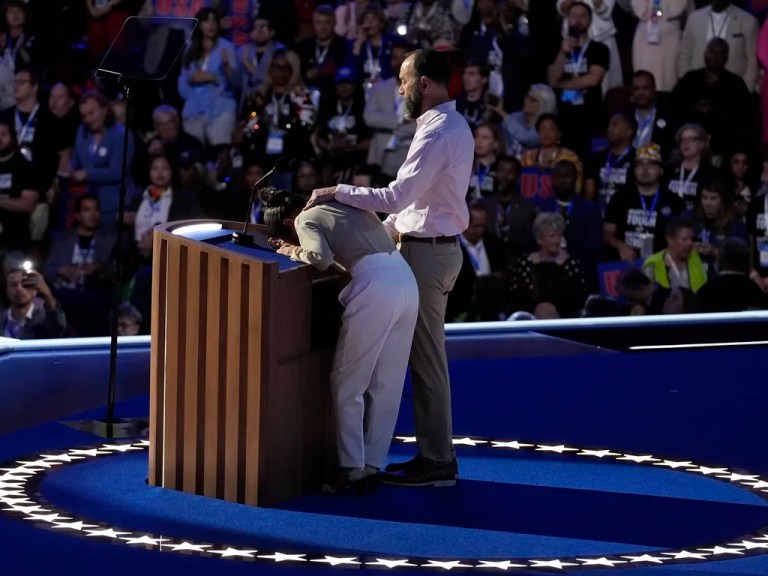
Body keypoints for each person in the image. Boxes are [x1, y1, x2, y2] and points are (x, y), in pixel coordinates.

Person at [306, 48, 473, 487]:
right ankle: (428, 456)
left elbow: (397, 197)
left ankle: (437, 460)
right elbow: (416, 202)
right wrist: (383, 230)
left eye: (403, 79)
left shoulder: (438, 131)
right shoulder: (446, 126)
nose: (398, 88)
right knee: (416, 359)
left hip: (427, 255)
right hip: (426, 248)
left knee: (425, 360)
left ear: (424, 84)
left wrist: (337, 191)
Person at [263, 188, 418, 493]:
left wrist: (289, 251)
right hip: (405, 280)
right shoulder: (341, 202)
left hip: (375, 287)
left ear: (287, 222)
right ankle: (372, 464)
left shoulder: (305, 218)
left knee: (348, 382)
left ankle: (351, 468)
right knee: (386, 382)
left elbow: (319, 258)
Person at [643, 216, 707, 292]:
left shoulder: (696, 258)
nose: (690, 243)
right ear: (670, 240)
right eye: (685, 239)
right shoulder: (652, 264)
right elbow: (646, 295)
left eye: (691, 239)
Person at [1, 266, 66, 339]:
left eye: (24, 284)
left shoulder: (43, 318)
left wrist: (47, 294)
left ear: (35, 291)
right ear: (6, 291)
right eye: (13, 285)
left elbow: (58, 328)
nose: (19, 289)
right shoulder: (2, 320)